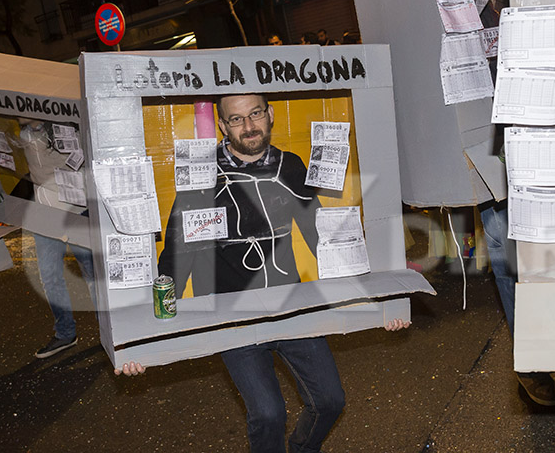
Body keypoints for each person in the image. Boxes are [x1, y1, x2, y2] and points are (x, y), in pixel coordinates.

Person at [118, 93, 408, 453]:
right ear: (223, 125)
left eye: (255, 114)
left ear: (270, 114)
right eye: (236, 119)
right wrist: (140, 341)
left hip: (290, 303)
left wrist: (384, 302)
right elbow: (177, 257)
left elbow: (324, 239)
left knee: (330, 400)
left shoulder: (291, 166)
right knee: (268, 414)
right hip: (233, 315)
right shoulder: (202, 175)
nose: (248, 126)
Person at [460, 0, 555, 407]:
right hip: (491, 153)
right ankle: (533, 363)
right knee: (506, 257)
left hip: (546, 139)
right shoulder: (457, 14)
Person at [12, 118, 95, 359]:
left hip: (76, 211)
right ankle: (65, 333)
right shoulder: (23, 134)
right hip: (44, 214)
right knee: (49, 276)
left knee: (91, 273)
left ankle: (109, 331)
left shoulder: (65, 126)